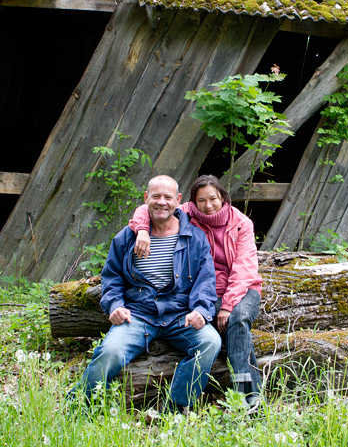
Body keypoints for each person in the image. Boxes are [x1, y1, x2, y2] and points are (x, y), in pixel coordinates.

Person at [72, 175, 221, 412]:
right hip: (138, 314)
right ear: (146, 199)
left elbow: (205, 281)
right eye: (156, 196)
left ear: (178, 200)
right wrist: (114, 305)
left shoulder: (195, 237)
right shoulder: (127, 237)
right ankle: (79, 405)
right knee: (110, 351)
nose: (162, 202)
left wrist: (201, 310)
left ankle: (175, 408)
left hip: (178, 314)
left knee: (210, 341)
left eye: (168, 197)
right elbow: (111, 277)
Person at [130, 174, 263, 409]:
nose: (208, 205)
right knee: (208, 331)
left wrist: (227, 307)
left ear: (223, 197)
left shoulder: (241, 223)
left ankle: (245, 395)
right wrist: (142, 230)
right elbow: (148, 207)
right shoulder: (186, 214)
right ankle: (250, 397)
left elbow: (244, 269)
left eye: (213, 198)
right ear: (193, 202)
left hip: (243, 289)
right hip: (206, 291)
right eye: (201, 200)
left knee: (239, 319)